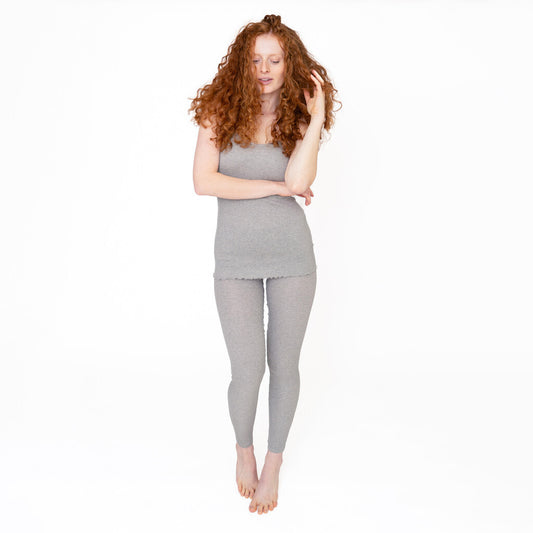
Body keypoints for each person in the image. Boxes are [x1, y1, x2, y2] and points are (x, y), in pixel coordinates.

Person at [188, 14, 340, 515]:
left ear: (289, 64)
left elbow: (298, 183)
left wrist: (316, 118)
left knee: (285, 366)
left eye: (274, 60)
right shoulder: (218, 110)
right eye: (255, 60)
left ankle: (274, 463)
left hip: (292, 257)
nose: (265, 69)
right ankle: (243, 450)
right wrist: (271, 186)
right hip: (234, 261)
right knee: (247, 369)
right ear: (242, 63)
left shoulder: (297, 118)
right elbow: (204, 181)